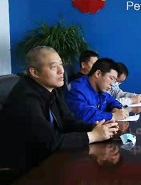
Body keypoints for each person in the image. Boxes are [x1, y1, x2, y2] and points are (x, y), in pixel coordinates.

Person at [0, 46, 118, 176]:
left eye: (61, 64)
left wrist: (94, 127)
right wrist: (93, 135)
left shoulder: (52, 90)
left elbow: (69, 122)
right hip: (22, 172)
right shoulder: (25, 98)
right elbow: (49, 141)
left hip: (46, 160)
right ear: (34, 72)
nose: (61, 71)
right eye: (53, 67)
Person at [66, 58, 128, 124]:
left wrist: (115, 108)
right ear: (98, 74)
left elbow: (112, 100)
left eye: (114, 80)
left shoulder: (100, 89)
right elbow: (84, 115)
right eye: (111, 78)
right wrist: (113, 116)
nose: (112, 84)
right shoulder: (77, 90)